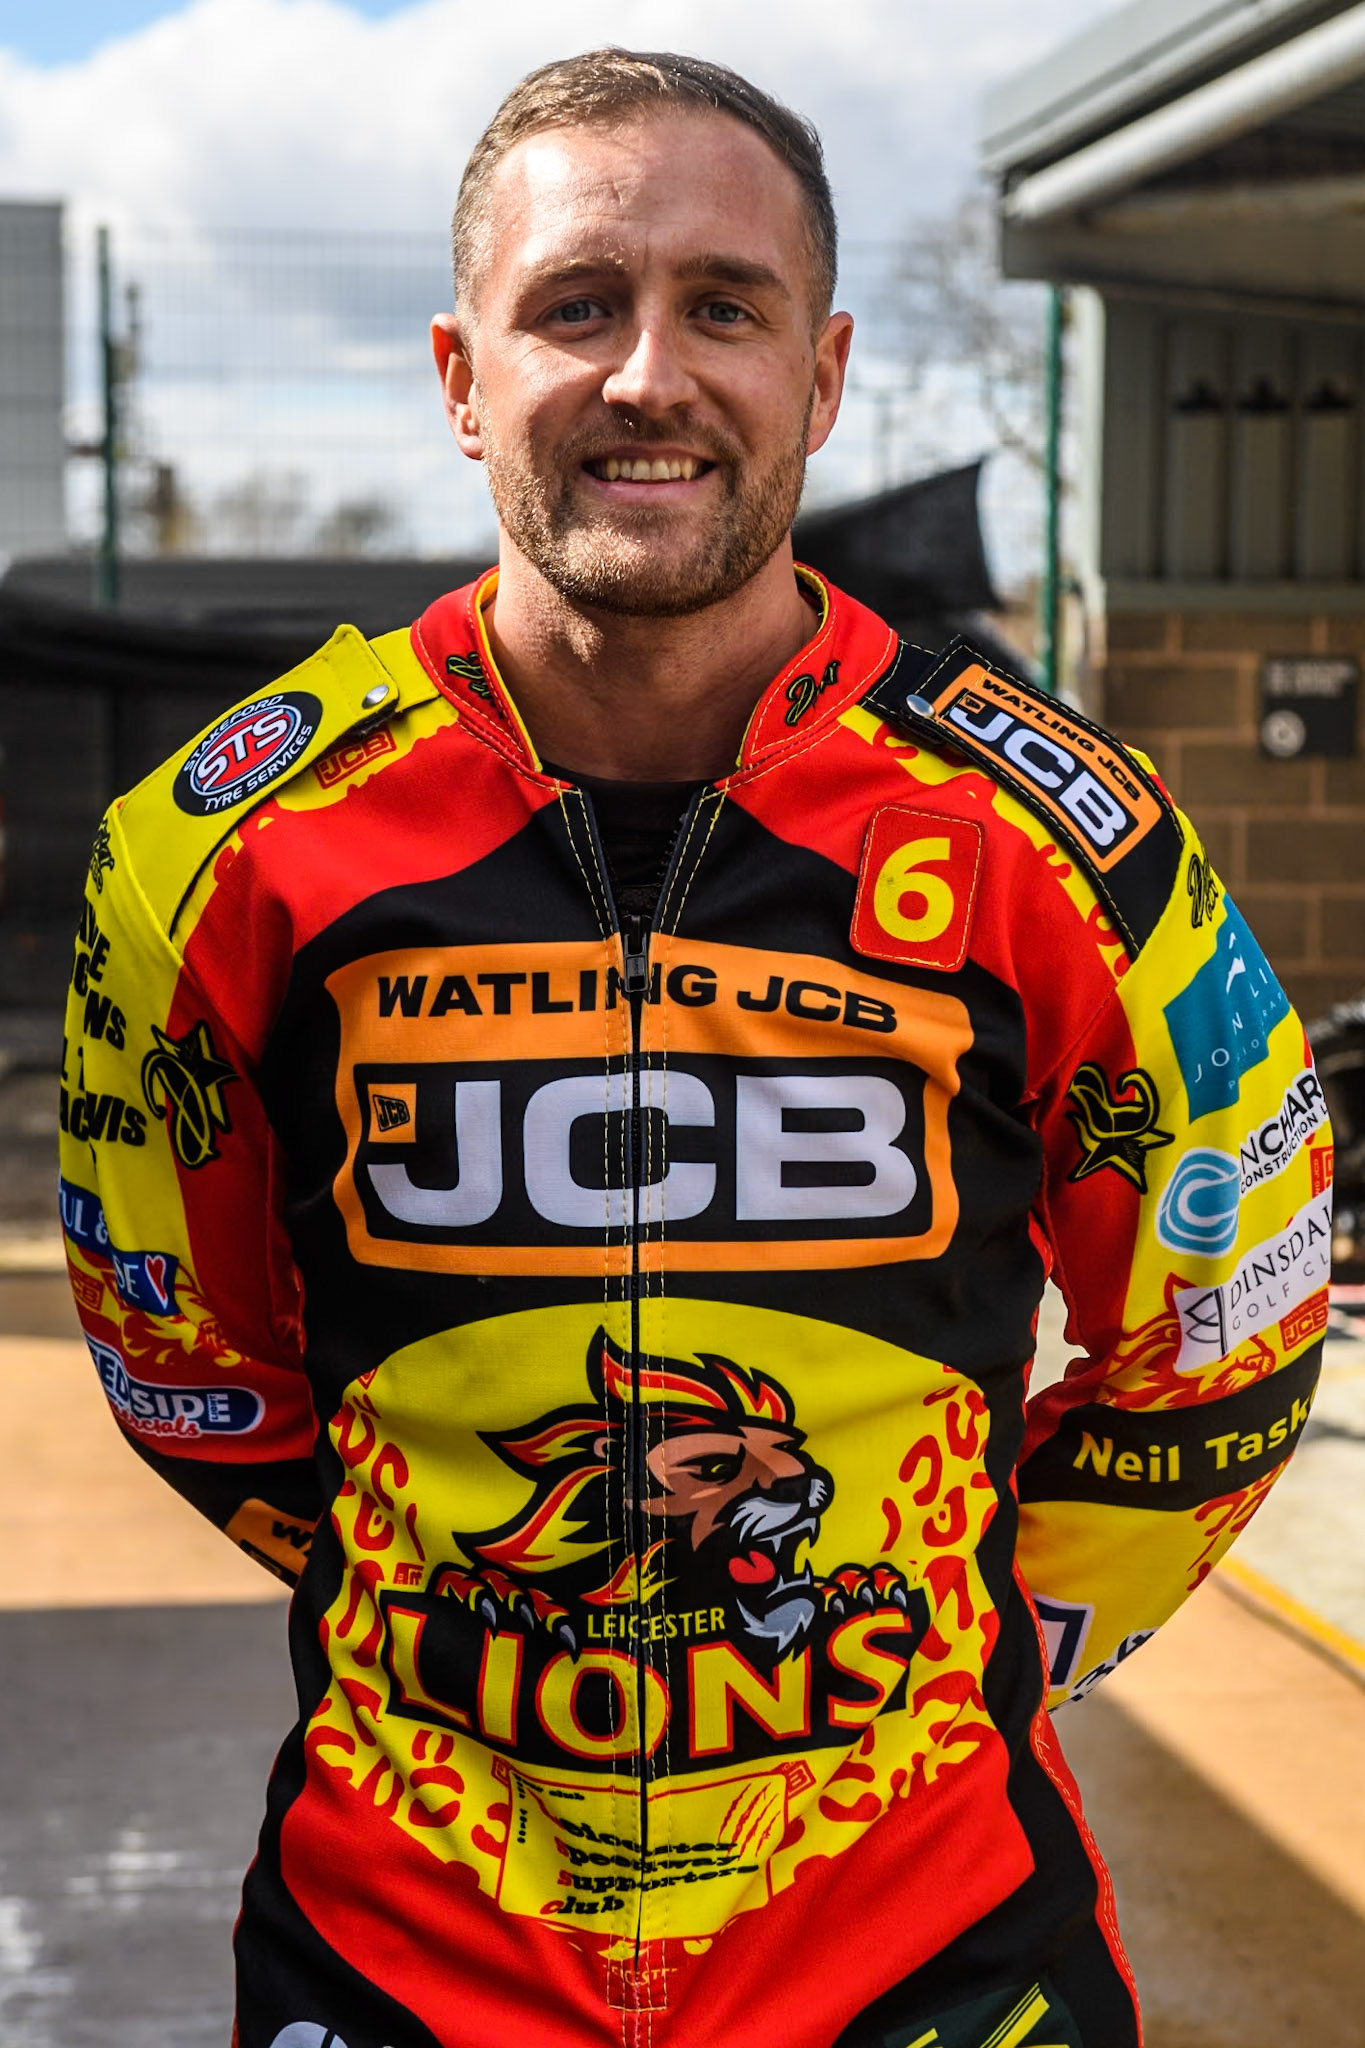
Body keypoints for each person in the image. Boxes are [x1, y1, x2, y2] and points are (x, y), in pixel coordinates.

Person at [59, 48, 1331, 2048]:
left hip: (928, 1947)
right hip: (406, 1954)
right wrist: (462, 1619)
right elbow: (182, 1348)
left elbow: (1235, 1310)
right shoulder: (221, 849)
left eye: (719, 306)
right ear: (461, 374)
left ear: (816, 380)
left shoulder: (1045, 840)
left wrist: (958, 1642)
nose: (647, 373)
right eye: (576, 304)